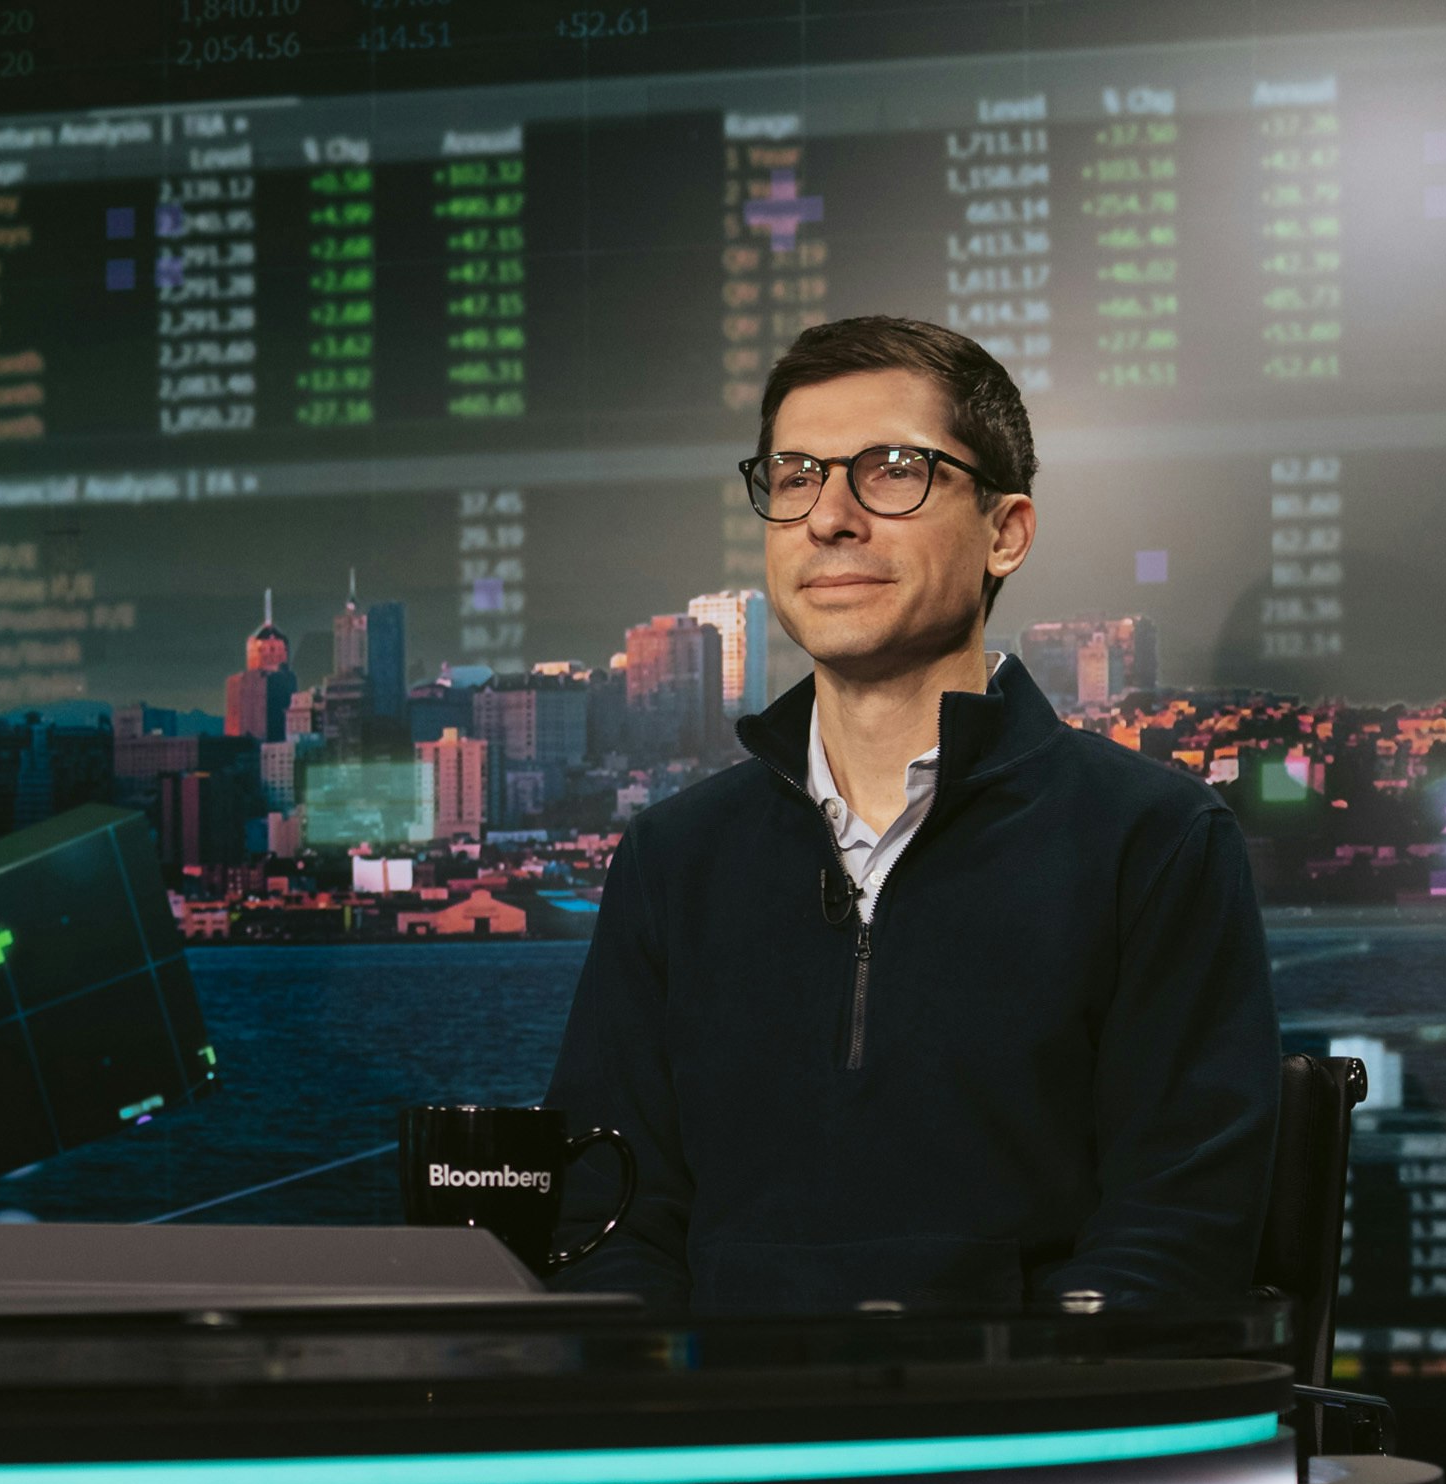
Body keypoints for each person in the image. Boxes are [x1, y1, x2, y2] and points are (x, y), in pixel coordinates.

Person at [546, 316, 1276, 1315]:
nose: (830, 516)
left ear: (1006, 531)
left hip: (1025, 1449)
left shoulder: (1150, 841)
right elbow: (608, 1219)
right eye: (796, 474)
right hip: (725, 1445)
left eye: (892, 469)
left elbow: (1179, 1230)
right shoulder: (674, 860)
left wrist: (986, 1418)